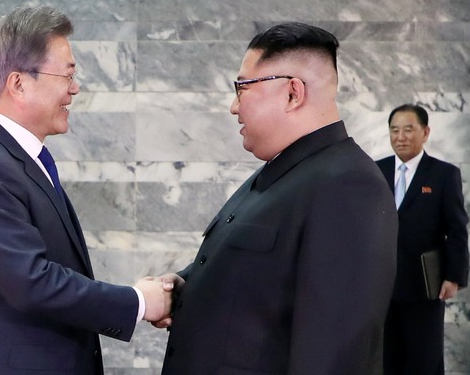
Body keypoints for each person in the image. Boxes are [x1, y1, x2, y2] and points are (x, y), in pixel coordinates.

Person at [153, 22, 399, 374]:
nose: (233, 107)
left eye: (242, 89)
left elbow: (336, 356)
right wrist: (185, 287)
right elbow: (258, 278)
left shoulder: (347, 186)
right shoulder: (286, 171)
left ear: (292, 93)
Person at [0, 6, 171, 375]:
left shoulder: (18, 158)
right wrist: (138, 302)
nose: (75, 88)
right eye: (67, 74)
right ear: (19, 84)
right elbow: (33, 282)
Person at [376, 104, 469, 375]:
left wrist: (454, 276)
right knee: (386, 360)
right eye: (394, 130)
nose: (400, 137)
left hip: (426, 285)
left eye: (408, 129)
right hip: (382, 286)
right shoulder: (375, 171)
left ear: (425, 132)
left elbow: (457, 228)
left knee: (424, 360)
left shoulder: (443, 174)